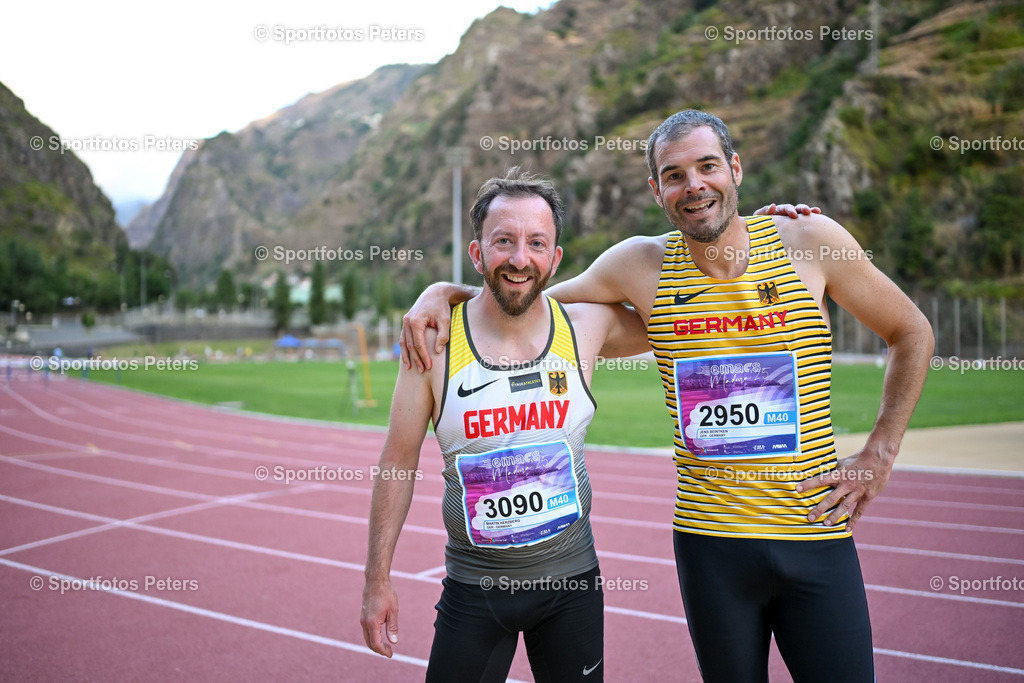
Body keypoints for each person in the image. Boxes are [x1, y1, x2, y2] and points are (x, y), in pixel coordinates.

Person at [400, 110, 934, 682]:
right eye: (674, 175)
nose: (694, 185)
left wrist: (880, 452)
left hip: (813, 530)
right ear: (657, 190)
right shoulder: (639, 264)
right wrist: (442, 292)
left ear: (735, 169)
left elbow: (912, 332)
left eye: (707, 167)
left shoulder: (811, 241)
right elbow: (526, 298)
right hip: (711, 546)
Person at [360, 169, 650, 682]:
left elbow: (685, 310)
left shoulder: (585, 327)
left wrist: (756, 235)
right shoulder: (434, 342)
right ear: (478, 254)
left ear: (555, 258)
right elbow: (398, 460)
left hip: (572, 587)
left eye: (536, 243)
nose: (520, 258)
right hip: (475, 592)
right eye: (504, 242)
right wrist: (376, 579)